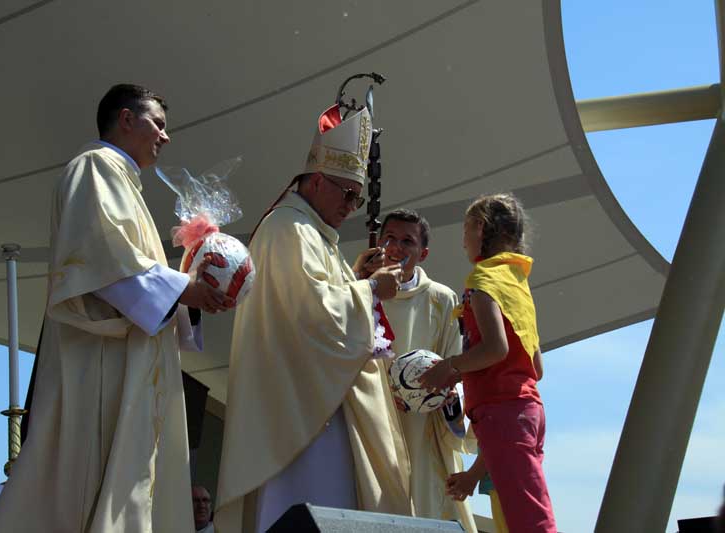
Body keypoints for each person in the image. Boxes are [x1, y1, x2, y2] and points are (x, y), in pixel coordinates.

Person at [0, 84, 234, 532]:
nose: (166, 136)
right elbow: (104, 257)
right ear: (126, 119)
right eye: (158, 124)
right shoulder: (95, 167)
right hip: (101, 359)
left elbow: (130, 266)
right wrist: (185, 289)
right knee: (94, 477)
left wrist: (192, 282)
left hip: (131, 357)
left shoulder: (123, 182)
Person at [215, 103, 412, 532]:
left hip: (318, 406)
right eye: (347, 194)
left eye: (358, 198)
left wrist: (356, 279)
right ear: (318, 180)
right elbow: (313, 316)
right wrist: (371, 290)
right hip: (300, 419)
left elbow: (319, 302)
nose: (352, 206)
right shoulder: (288, 228)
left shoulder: (314, 233)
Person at [420, 193, 555, 533]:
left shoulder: (482, 282)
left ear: (479, 228)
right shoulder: (517, 284)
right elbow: (536, 368)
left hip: (503, 412)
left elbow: (495, 349)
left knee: (529, 521)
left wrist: (451, 366)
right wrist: (472, 476)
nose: (463, 240)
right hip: (528, 412)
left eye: (465, 229)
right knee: (518, 513)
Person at [353, 209, 477, 532]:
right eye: (389, 238)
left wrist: (446, 395)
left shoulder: (441, 299)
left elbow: (455, 364)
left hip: (422, 428)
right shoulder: (362, 290)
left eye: (407, 241)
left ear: (423, 253)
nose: (396, 247)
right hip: (370, 416)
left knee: (422, 507)